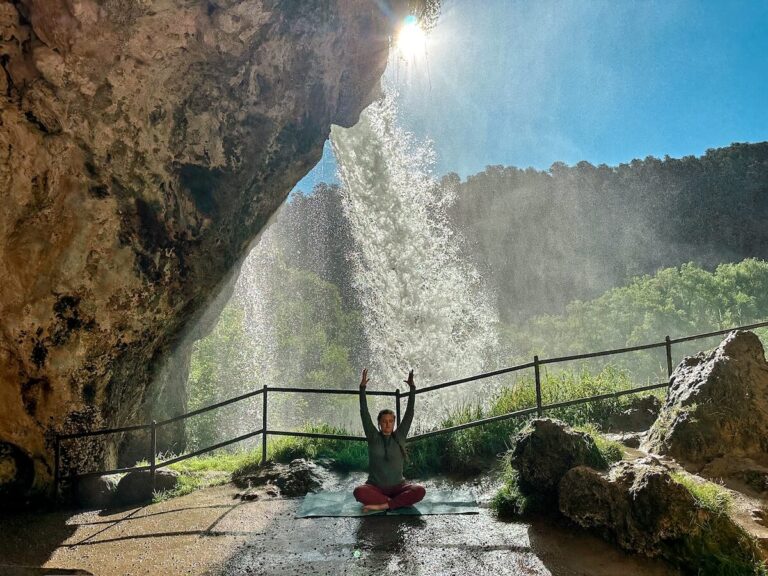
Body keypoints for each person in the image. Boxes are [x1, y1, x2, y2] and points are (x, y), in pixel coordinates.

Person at [353, 368, 426, 512]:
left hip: (399, 487)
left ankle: (383, 505)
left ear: (394, 423)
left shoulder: (400, 435)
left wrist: (412, 388)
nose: (387, 424)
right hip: (375, 488)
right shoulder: (373, 436)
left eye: (391, 421)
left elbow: (409, 413)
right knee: (359, 491)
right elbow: (364, 413)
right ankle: (395, 503)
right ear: (379, 423)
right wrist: (362, 388)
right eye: (384, 421)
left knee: (420, 490)